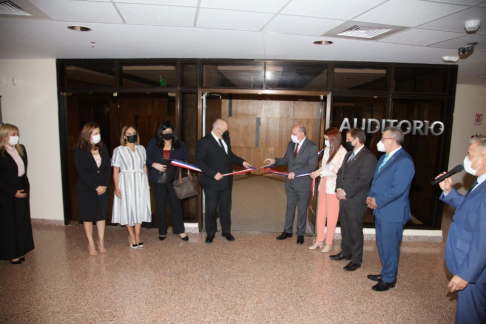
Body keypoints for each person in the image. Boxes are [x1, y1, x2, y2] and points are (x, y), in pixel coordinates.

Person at [437, 136, 486, 324]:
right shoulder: (480, 181)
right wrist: (449, 192)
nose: (466, 157)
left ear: (483, 158)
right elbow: (470, 212)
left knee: (470, 316)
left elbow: (483, 239)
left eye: (470, 154)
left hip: (474, 270)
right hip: (469, 263)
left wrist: (466, 274)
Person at [366, 127, 415, 291]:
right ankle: (385, 271)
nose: (380, 142)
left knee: (390, 246)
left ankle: (389, 279)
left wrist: (377, 201)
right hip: (381, 209)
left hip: (392, 212)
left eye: (383, 138)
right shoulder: (385, 157)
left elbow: (398, 189)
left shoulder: (404, 161)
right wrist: (370, 196)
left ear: (393, 140)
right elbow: (376, 181)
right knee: (382, 243)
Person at [196, 118, 251, 243]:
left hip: (226, 181)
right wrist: (213, 173)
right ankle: (210, 233)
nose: (227, 132)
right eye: (225, 129)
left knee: (225, 208)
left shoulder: (226, 139)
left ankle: (226, 231)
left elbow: (229, 155)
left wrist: (242, 161)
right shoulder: (204, 142)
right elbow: (199, 162)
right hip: (212, 182)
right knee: (211, 209)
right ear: (218, 129)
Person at [331, 128, 377, 271]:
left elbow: (363, 180)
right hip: (344, 198)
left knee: (355, 230)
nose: (347, 142)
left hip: (355, 200)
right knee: (345, 228)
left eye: (349, 139)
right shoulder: (349, 155)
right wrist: (338, 189)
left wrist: (345, 191)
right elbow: (340, 173)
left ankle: (356, 259)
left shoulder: (368, 157)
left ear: (357, 139)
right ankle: (346, 252)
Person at [264, 125, 318, 245]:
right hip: (290, 183)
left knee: (302, 210)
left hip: (303, 184)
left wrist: (296, 172)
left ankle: (300, 234)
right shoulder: (291, 144)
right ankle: (287, 231)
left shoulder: (312, 147)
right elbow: (285, 160)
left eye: (294, 134)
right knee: (290, 208)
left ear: (302, 133)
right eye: (292, 133)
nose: (292, 136)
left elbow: (311, 166)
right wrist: (274, 161)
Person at [147, 121, 189, 242]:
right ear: (160, 132)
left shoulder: (179, 144)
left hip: (173, 179)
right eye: (164, 132)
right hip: (157, 178)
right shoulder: (154, 142)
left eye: (169, 132)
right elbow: (146, 158)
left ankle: (180, 230)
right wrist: (154, 165)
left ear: (173, 132)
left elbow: (185, 158)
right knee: (160, 206)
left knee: (176, 205)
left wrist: (180, 163)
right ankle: (162, 231)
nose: (167, 134)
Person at [74, 122, 111, 256]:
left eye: (98, 133)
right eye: (95, 133)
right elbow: (81, 172)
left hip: (102, 187)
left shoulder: (103, 147)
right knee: (88, 216)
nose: (98, 136)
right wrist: (95, 186)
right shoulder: (79, 150)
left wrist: (104, 185)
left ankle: (101, 241)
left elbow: (107, 167)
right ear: (87, 135)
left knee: (101, 215)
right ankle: (90, 242)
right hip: (86, 189)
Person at [112, 125, 151, 249]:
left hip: (140, 181)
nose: (131, 135)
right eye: (129, 133)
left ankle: (138, 234)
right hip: (126, 181)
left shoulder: (141, 149)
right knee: (128, 208)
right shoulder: (119, 150)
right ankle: (131, 235)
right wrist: (116, 187)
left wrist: (147, 182)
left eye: (133, 132)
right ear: (124, 136)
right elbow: (116, 170)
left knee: (139, 207)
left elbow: (144, 166)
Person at [0, 123, 34, 264]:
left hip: (22, 187)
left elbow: (23, 171)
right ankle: (11, 253)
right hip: (6, 192)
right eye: (13, 134)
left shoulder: (21, 149)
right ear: (4, 136)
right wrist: (12, 192)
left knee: (21, 221)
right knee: (9, 224)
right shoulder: (1, 153)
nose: (16, 137)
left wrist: (25, 187)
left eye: (17, 134)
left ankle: (20, 250)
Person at [309, 127, 347, 252]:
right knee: (321, 213)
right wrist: (318, 171)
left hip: (333, 186)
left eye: (327, 139)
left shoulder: (342, 152)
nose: (325, 141)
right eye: (324, 138)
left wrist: (319, 173)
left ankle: (329, 243)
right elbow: (324, 166)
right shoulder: (327, 150)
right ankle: (319, 239)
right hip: (323, 184)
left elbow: (335, 170)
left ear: (334, 138)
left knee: (332, 215)